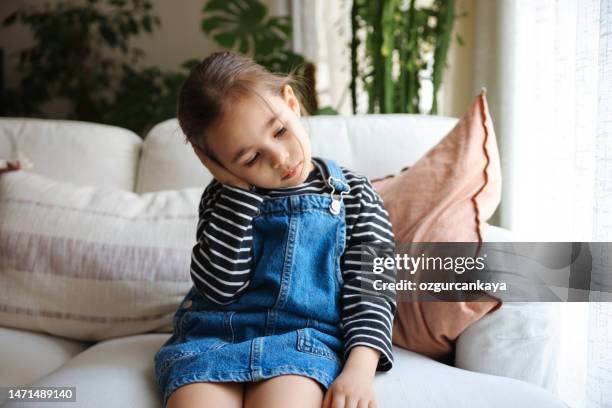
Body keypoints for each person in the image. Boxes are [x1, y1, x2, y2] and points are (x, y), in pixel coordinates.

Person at [154, 51, 396, 408]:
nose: (280, 158)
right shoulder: (223, 199)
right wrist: (234, 190)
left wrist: (359, 371)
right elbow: (220, 288)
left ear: (291, 101)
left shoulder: (354, 195)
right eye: (250, 159)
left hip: (304, 341)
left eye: (280, 131)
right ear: (218, 164)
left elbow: (373, 290)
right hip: (213, 335)